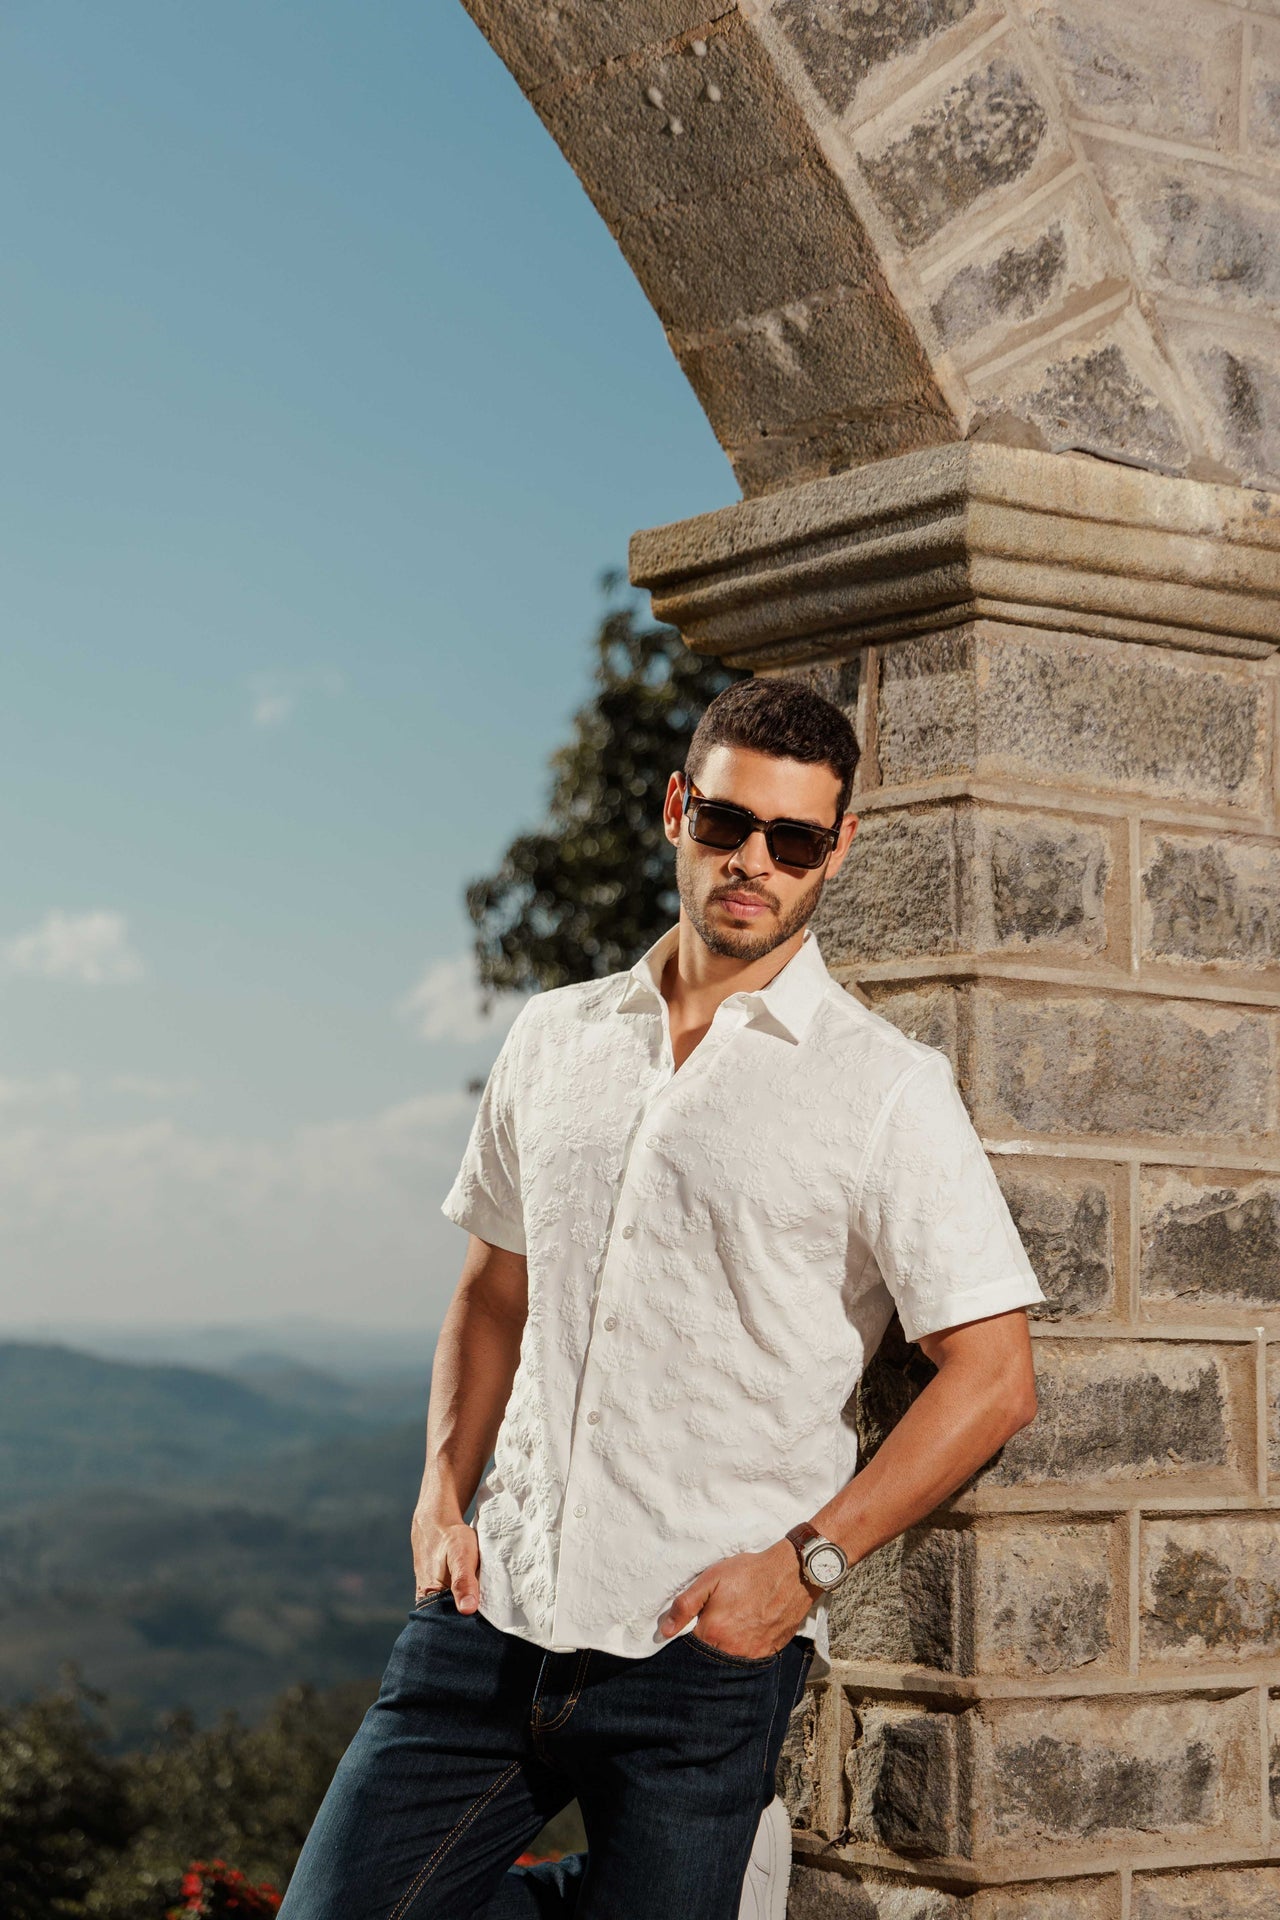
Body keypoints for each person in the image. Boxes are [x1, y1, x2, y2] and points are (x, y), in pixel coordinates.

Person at [279, 677, 1045, 1920]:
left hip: (699, 1654)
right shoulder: (554, 1036)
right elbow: (492, 1292)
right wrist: (438, 1493)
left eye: (793, 840)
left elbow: (994, 1378)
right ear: (677, 809)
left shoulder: (885, 1089)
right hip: (489, 1615)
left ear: (837, 848)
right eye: (729, 824)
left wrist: (803, 1569)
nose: (754, 863)